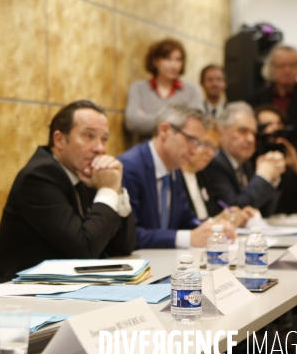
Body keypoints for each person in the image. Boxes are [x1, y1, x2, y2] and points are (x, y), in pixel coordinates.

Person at [0, 100, 136, 282]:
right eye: (89, 136)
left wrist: (117, 190)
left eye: (104, 139)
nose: (100, 148)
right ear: (59, 140)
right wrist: (107, 190)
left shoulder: (84, 171)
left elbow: (123, 247)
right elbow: (85, 250)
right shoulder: (39, 176)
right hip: (26, 294)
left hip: (67, 287)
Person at [119, 103, 237, 249]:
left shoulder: (174, 168)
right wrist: (188, 238)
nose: (195, 151)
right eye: (192, 141)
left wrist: (212, 228)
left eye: (199, 144)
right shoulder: (130, 167)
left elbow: (185, 220)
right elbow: (128, 236)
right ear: (165, 131)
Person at [249, 45, 297, 172]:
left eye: (292, 65)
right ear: (272, 68)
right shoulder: (255, 99)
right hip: (262, 164)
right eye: (281, 66)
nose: (287, 70)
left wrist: (285, 150)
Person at [205, 102, 285, 217]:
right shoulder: (215, 162)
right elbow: (234, 209)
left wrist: (272, 178)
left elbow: (263, 212)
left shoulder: (244, 164)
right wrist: (263, 177)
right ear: (221, 132)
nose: (251, 139)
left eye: (253, 133)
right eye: (243, 131)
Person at [180, 121, 256, 226]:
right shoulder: (174, 176)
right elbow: (183, 224)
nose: (210, 153)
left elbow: (211, 215)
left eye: (214, 148)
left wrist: (233, 217)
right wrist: (215, 221)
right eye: (206, 144)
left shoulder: (202, 175)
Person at [125, 38, 204, 140]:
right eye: (167, 59)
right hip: (147, 151)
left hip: (182, 152)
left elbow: (195, 125)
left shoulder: (192, 90)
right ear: (155, 61)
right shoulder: (139, 88)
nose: (174, 65)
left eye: (178, 59)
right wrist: (179, 120)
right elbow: (132, 122)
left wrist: (147, 118)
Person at [255, 104, 297, 214]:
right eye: (268, 124)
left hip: (292, 220)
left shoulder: (293, 156)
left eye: (278, 123)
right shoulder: (250, 159)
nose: (275, 128)